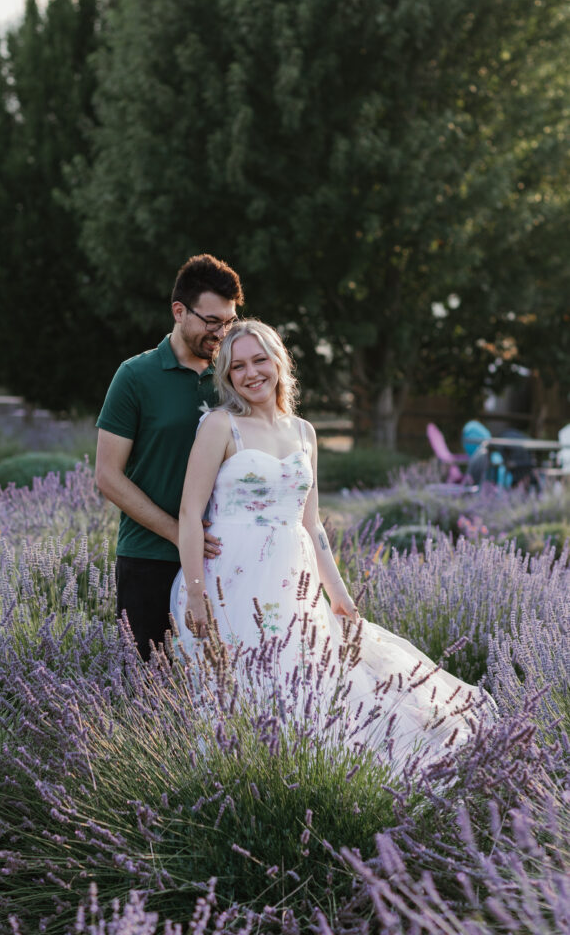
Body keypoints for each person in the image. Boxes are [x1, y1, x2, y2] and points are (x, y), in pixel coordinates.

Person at [172, 320, 495, 765]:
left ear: (279, 362)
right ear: (227, 376)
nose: (251, 374)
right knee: (239, 695)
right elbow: (190, 514)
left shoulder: (304, 432)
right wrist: (195, 594)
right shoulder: (221, 427)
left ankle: (302, 784)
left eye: (260, 360)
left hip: (291, 585)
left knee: (305, 687)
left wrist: (338, 593)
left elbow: (312, 523)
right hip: (229, 583)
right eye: (238, 366)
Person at [95, 254, 244, 660]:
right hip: (149, 557)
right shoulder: (135, 376)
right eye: (211, 321)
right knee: (148, 686)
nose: (221, 332)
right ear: (179, 311)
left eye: (229, 322)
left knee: (224, 683)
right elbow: (108, 476)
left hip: (224, 556)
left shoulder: (235, 378)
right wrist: (178, 532)